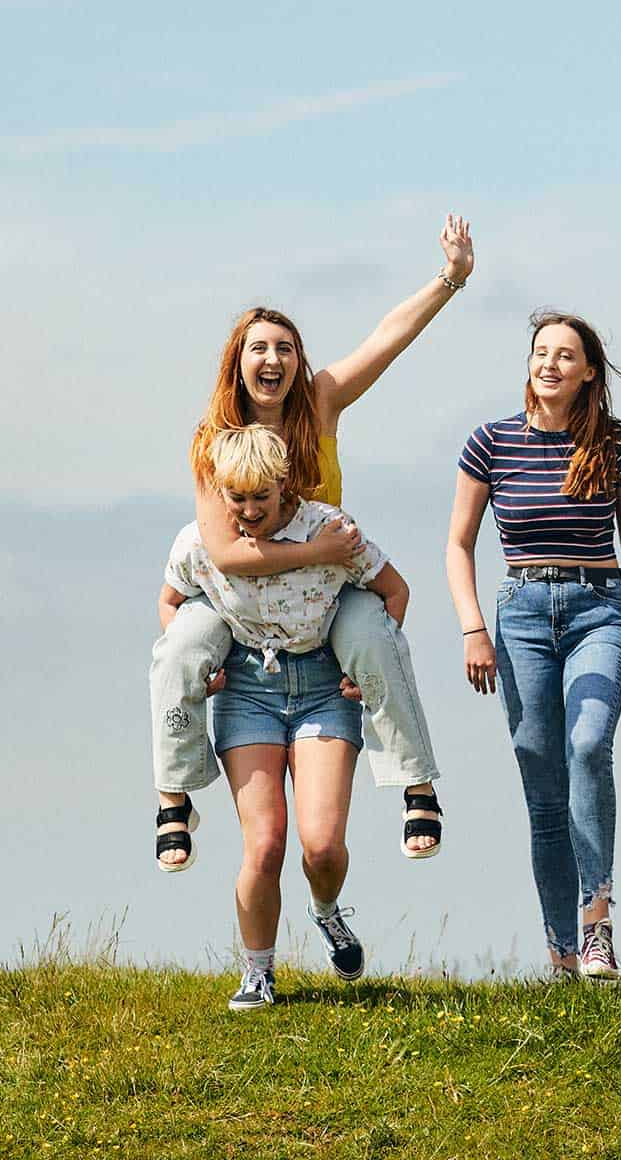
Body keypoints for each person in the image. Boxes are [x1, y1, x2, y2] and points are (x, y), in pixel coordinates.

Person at [152, 216, 473, 873]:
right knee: (180, 645)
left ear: (297, 361)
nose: (273, 359)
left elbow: (386, 340)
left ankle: (415, 783)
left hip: (328, 588)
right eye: (259, 349)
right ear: (237, 365)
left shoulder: (318, 405)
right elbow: (227, 553)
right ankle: (174, 795)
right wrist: (317, 550)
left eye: (285, 349)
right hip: (242, 594)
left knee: (378, 635)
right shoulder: (215, 438)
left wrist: (450, 279)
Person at [445, 311, 621, 979]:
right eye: (540, 352)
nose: (549, 363)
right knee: (541, 778)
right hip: (520, 612)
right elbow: (459, 544)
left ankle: (596, 923)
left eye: (565, 355)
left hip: (599, 608)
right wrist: (473, 626)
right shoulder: (490, 442)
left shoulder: (615, 446)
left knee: (587, 744)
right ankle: (560, 953)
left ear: (589, 372)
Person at [159, 425, 431, 1010]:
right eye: (238, 499)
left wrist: (366, 663)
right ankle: (258, 972)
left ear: (286, 486)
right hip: (248, 688)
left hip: (322, 686)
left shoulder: (329, 529)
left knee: (323, 846)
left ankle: (327, 913)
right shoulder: (199, 543)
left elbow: (395, 591)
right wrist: (200, 671)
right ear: (221, 493)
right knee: (265, 844)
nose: (251, 511)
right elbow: (170, 605)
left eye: (263, 497)